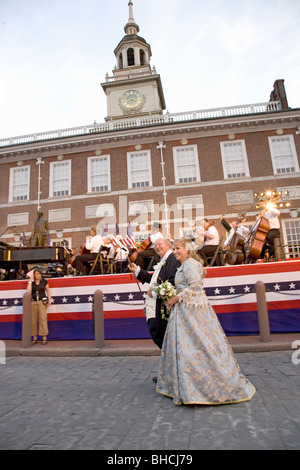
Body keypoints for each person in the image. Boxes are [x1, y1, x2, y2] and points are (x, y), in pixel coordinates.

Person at [156, 238, 256, 406]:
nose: (175, 251)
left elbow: (195, 287)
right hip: (183, 312)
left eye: (178, 248)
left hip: (193, 313)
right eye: (173, 249)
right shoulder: (184, 265)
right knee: (184, 348)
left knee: (200, 345)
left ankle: (201, 387)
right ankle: (185, 386)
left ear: (187, 249)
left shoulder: (191, 264)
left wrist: (175, 298)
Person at [129, 238, 180, 350]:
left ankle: (171, 360)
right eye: (155, 245)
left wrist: (155, 292)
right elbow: (154, 278)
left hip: (162, 307)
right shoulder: (163, 260)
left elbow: (173, 281)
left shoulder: (172, 260)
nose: (157, 247)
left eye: (159, 244)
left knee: (160, 335)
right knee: (157, 334)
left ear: (168, 245)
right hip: (155, 306)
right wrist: (137, 270)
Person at [27, 268, 52, 345]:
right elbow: (28, 291)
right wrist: (30, 281)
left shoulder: (44, 281)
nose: (38, 275)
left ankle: (44, 337)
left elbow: (48, 291)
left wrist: (49, 299)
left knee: (43, 319)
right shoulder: (32, 283)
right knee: (33, 320)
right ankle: (34, 337)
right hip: (33, 302)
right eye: (36, 274)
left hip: (42, 302)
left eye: (39, 274)